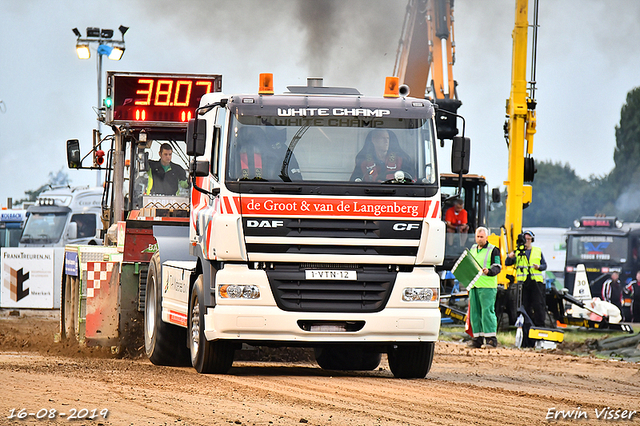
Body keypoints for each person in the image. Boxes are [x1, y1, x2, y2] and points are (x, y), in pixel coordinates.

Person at [467, 226, 502, 348]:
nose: (479, 239)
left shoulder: (493, 250)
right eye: (477, 236)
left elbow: (498, 266)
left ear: (486, 237)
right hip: (474, 285)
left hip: (487, 286)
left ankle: (491, 339)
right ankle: (477, 339)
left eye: (482, 237)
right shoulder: (472, 249)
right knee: (475, 313)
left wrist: (489, 271)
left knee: (487, 312)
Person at [505, 230, 548, 327]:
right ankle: (526, 325)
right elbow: (507, 263)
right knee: (525, 306)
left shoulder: (537, 251)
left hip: (536, 282)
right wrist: (510, 256)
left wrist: (539, 267)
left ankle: (539, 325)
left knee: (538, 305)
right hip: (523, 283)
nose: (527, 241)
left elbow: (545, 265)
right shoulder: (518, 252)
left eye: (529, 239)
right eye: (525, 239)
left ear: (532, 240)